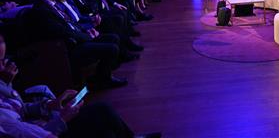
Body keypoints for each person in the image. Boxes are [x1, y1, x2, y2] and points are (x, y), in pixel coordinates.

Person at [0, 33, 161, 138]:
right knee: (102, 126)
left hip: (38, 121)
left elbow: (21, 108)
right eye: (0, 62)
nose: (7, 64)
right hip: (46, 129)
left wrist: (50, 104)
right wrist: (62, 119)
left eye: (4, 59)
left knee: (102, 110)